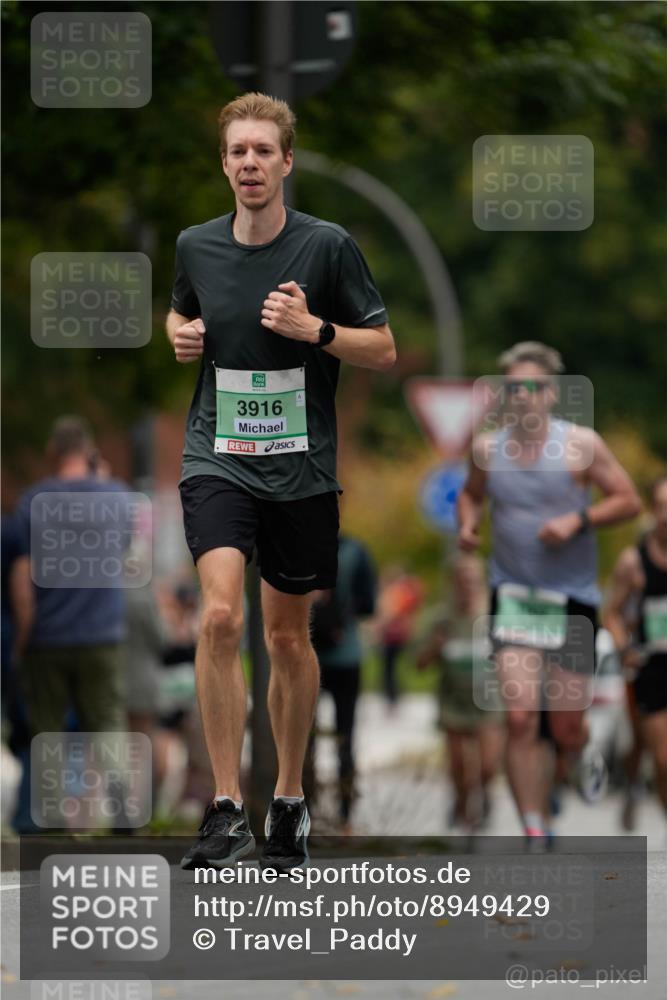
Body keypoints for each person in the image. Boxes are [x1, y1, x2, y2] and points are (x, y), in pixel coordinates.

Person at [165, 92, 395, 872]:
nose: (250, 163)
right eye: (237, 151)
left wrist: (315, 330)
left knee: (287, 638)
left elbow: (383, 349)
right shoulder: (195, 245)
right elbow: (180, 314)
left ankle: (289, 799)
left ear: (286, 161)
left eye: (263, 150)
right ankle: (227, 807)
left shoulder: (327, 247)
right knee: (218, 617)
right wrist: (180, 335)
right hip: (217, 457)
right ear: (223, 164)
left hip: (300, 469)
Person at [457, 341, 641, 846]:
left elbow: (628, 500)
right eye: (514, 387)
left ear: (553, 393)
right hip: (513, 596)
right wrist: (468, 525)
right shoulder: (487, 449)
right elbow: (470, 495)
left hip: (572, 600)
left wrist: (578, 520)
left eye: (533, 387)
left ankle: (576, 753)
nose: (523, 396)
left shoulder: (581, 445)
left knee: (564, 727)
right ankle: (534, 826)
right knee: (520, 718)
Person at [12, 417, 131, 738]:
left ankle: (49, 776)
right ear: (89, 451)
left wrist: (21, 638)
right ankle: (116, 775)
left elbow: (22, 581)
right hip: (103, 633)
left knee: (47, 731)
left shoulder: (32, 502)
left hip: (48, 635)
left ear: (52, 451)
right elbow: (122, 548)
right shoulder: (117, 497)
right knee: (108, 724)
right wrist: (102, 480)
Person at [416, 555, 504, 831]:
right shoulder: (441, 619)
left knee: (487, 765)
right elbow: (419, 664)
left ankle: (485, 793)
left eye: (473, 580)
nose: (468, 586)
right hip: (453, 703)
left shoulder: (495, 617)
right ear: (453, 582)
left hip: (489, 703)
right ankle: (462, 803)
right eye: (463, 580)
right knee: (459, 766)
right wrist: (435, 647)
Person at [604, 475, 667, 829]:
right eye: (662, 508)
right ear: (652, 511)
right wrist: (623, 646)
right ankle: (633, 784)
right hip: (650, 667)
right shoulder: (634, 562)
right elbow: (611, 612)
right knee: (659, 756)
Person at [310, 533, 377, 832]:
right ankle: (344, 816)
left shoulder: (298, 543)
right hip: (344, 654)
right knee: (345, 737)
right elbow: (368, 605)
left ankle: (306, 812)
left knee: (302, 739)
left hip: (308, 653)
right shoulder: (354, 551)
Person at [377, 567, 424, 707]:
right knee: (392, 668)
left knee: (390, 669)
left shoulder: (395, 593)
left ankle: (393, 696)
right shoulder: (399, 592)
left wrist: (379, 628)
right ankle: (393, 695)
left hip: (392, 637)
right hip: (396, 636)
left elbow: (391, 613)